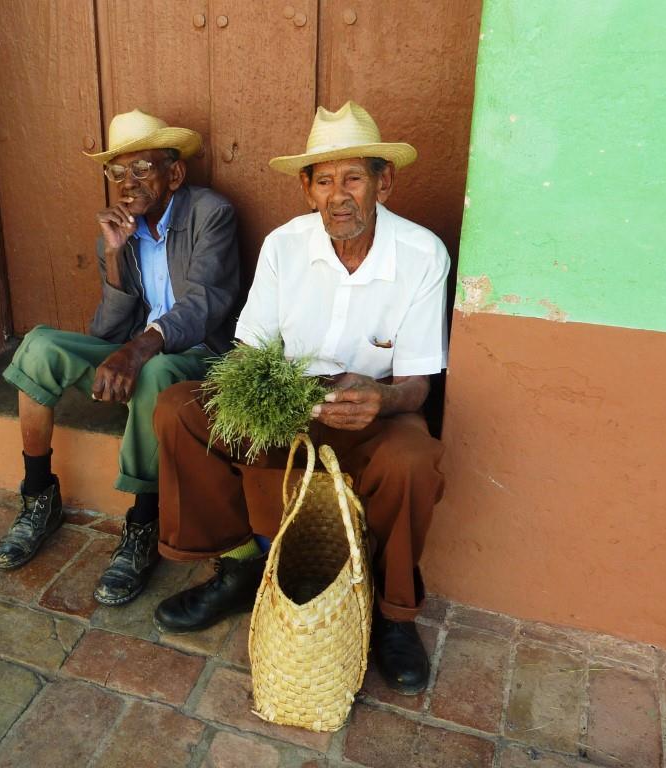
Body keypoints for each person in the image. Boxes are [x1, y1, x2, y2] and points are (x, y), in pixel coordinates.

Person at [151, 101, 449, 695]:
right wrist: (263, 400)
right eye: (325, 180)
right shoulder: (285, 246)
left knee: (414, 461)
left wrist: (381, 401)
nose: (340, 196)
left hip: (376, 411)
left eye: (355, 178)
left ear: (383, 183)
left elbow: (419, 383)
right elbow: (249, 350)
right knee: (179, 410)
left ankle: (394, 617)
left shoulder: (421, 254)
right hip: (286, 403)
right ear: (306, 188)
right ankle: (240, 567)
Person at [0, 109, 240, 610]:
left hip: (196, 358)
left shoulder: (211, 213)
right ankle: (39, 496)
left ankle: (142, 525)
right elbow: (106, 329)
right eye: (117, 173)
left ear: (175, 173)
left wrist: (136, 350)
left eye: (142, 169)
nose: (128, 184)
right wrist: (112, 254)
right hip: (134, 352)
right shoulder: (123, 230)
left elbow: (203, 306)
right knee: (39, 345)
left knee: (157, 370)